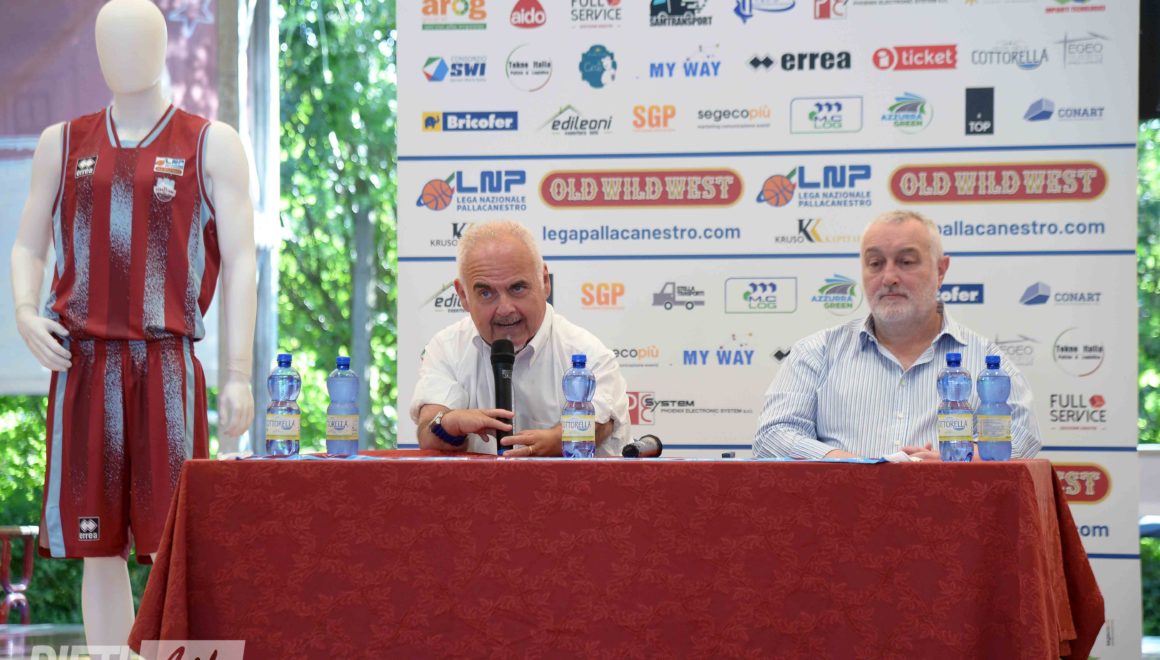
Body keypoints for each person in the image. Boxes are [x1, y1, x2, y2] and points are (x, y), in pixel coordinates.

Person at [9, 0, 256, 647]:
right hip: (85, 363)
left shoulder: (210, 143)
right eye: (109, 42)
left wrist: (237, 373)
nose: (122, 55)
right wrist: (26, 310)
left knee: (172, 541)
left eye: (136, 40)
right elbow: (28, 243)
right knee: (97, 548)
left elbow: (242, 262)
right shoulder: (63, 142)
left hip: (166, 361)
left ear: (162, 46)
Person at [753, 210, 1042, 461]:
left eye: (906, 262)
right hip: (842, 505)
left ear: (941, 270)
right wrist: (853, 466)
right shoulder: (817, 352)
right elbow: (772, 436)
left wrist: (959, 460)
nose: (889, 277)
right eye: (875, 263)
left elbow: (1023, 438)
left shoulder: (986, 360)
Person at [411, 220, 630, 456]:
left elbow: (601, 425)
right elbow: (428, 432)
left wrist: (555, 441)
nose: (505, 309)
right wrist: (449, 425)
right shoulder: (446, 348)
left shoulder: (587, 354)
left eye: (517, 288)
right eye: (486, 293)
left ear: (544, 282)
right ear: (463, 295)